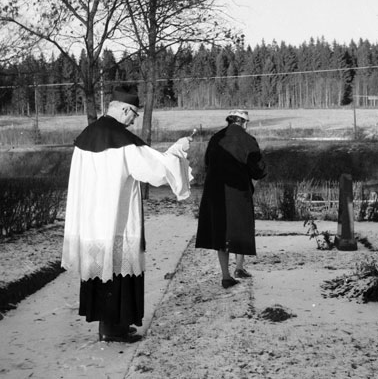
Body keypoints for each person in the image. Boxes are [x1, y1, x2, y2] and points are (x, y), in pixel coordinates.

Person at [62, 85, 192, 343]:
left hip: (92, 220)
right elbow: (156, 170)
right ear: (124, 109)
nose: (134, 120)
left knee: (101, 272)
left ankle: (110, 327)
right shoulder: (122, 141)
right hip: (117, 219)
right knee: (117, 272)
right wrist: (178, 149)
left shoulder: (87, 136)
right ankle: (113, 330)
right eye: (134, 114)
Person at [195, 109, 267, 289]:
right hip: (238, 191)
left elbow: (207, 163)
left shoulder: (215, 138)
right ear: (244, 122)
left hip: (215, 191)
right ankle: (239, 268)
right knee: (240, 227)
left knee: (221, 230)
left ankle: (225, 275)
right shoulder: (248, 140)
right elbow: (258, 169)